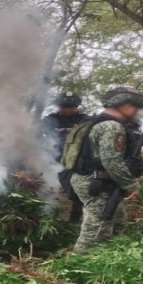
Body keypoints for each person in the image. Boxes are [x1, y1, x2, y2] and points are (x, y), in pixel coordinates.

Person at [64, 87, 143, 254]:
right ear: (125, 105)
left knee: (118, 223)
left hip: (94, 180)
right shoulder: (111, 127)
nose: (138, 112)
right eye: (136, 107)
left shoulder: (98, 121)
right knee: (96, 230)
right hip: (96, 183)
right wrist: (130, 184)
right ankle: (76, 266)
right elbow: (111, 160)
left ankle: (109, 258)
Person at [41, 91, 87, 222]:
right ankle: (50, 217)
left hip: (78, 162)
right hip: (53, 160)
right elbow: (36, 136)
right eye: (63, 106)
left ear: (77, 106)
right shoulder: (49, 120)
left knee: (78, 190)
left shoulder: (84, 120)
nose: (67, 109)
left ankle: (74, 220)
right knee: (50, 188)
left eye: (71, 107)